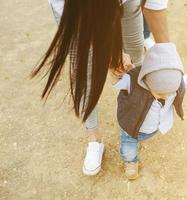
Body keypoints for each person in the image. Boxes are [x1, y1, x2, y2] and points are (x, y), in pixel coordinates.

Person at [32, 0, 172, 176]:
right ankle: (94, 138)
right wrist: (111, 54)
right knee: (84, 67)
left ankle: (130, 131)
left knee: (135, 58)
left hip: (127, 3)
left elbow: (155, 7)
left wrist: (169, 55)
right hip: (77, 8)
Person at [111, 43, 187, 180]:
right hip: (131, 127)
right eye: (160, 94)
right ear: (146, 81)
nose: (166, 97)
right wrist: (115, 73)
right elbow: (118, 83)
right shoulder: (134, 81)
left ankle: (142, 140)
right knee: (129, 148)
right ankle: (130, 162)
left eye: (170, 93)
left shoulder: (174, 79)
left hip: (154, 126)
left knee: (146, 133)